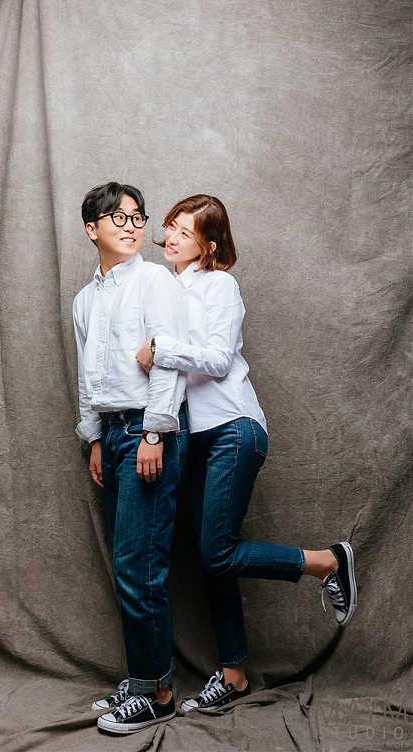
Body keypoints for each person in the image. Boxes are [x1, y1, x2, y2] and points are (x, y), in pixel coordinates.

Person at [135, 194, 357, 712]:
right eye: (170, 226)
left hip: (233, 428)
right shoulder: (163, 288)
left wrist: (160, 350)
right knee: (214, 560)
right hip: (193, 436)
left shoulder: (220, 286)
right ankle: (234, 676)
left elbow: (217, 358)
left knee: (217, 552)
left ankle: (327, 562)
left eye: (186, 232)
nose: (172, 238)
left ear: (209, 246)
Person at [73, 182, 189, 734]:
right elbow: (88, 376)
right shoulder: (84, 299)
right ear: (92, 229)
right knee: (129, 564)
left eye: (138, 217)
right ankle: (144, 677)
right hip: (114, 433)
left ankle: (156, 693)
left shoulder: (155, 280)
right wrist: (95, 438)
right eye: (117, 217)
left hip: (148, 428)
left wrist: (154, 433)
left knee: (140, 565)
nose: (131, 225)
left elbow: (169, 359)